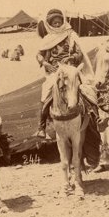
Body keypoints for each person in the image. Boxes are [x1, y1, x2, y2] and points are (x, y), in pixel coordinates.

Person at [35, 9, 98, 139]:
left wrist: (71, 59)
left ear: (63, 22)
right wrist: (45, 63)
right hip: (54, 71)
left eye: (59, 22)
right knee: (46, 90)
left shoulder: (71, 35)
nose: (57, 25)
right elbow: (39, 55)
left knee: (86, 87)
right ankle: (41, 127)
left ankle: (96, 116)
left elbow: (79, 53)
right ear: (50, 24)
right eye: (54, 23)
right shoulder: (47, 39)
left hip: (71, 68)